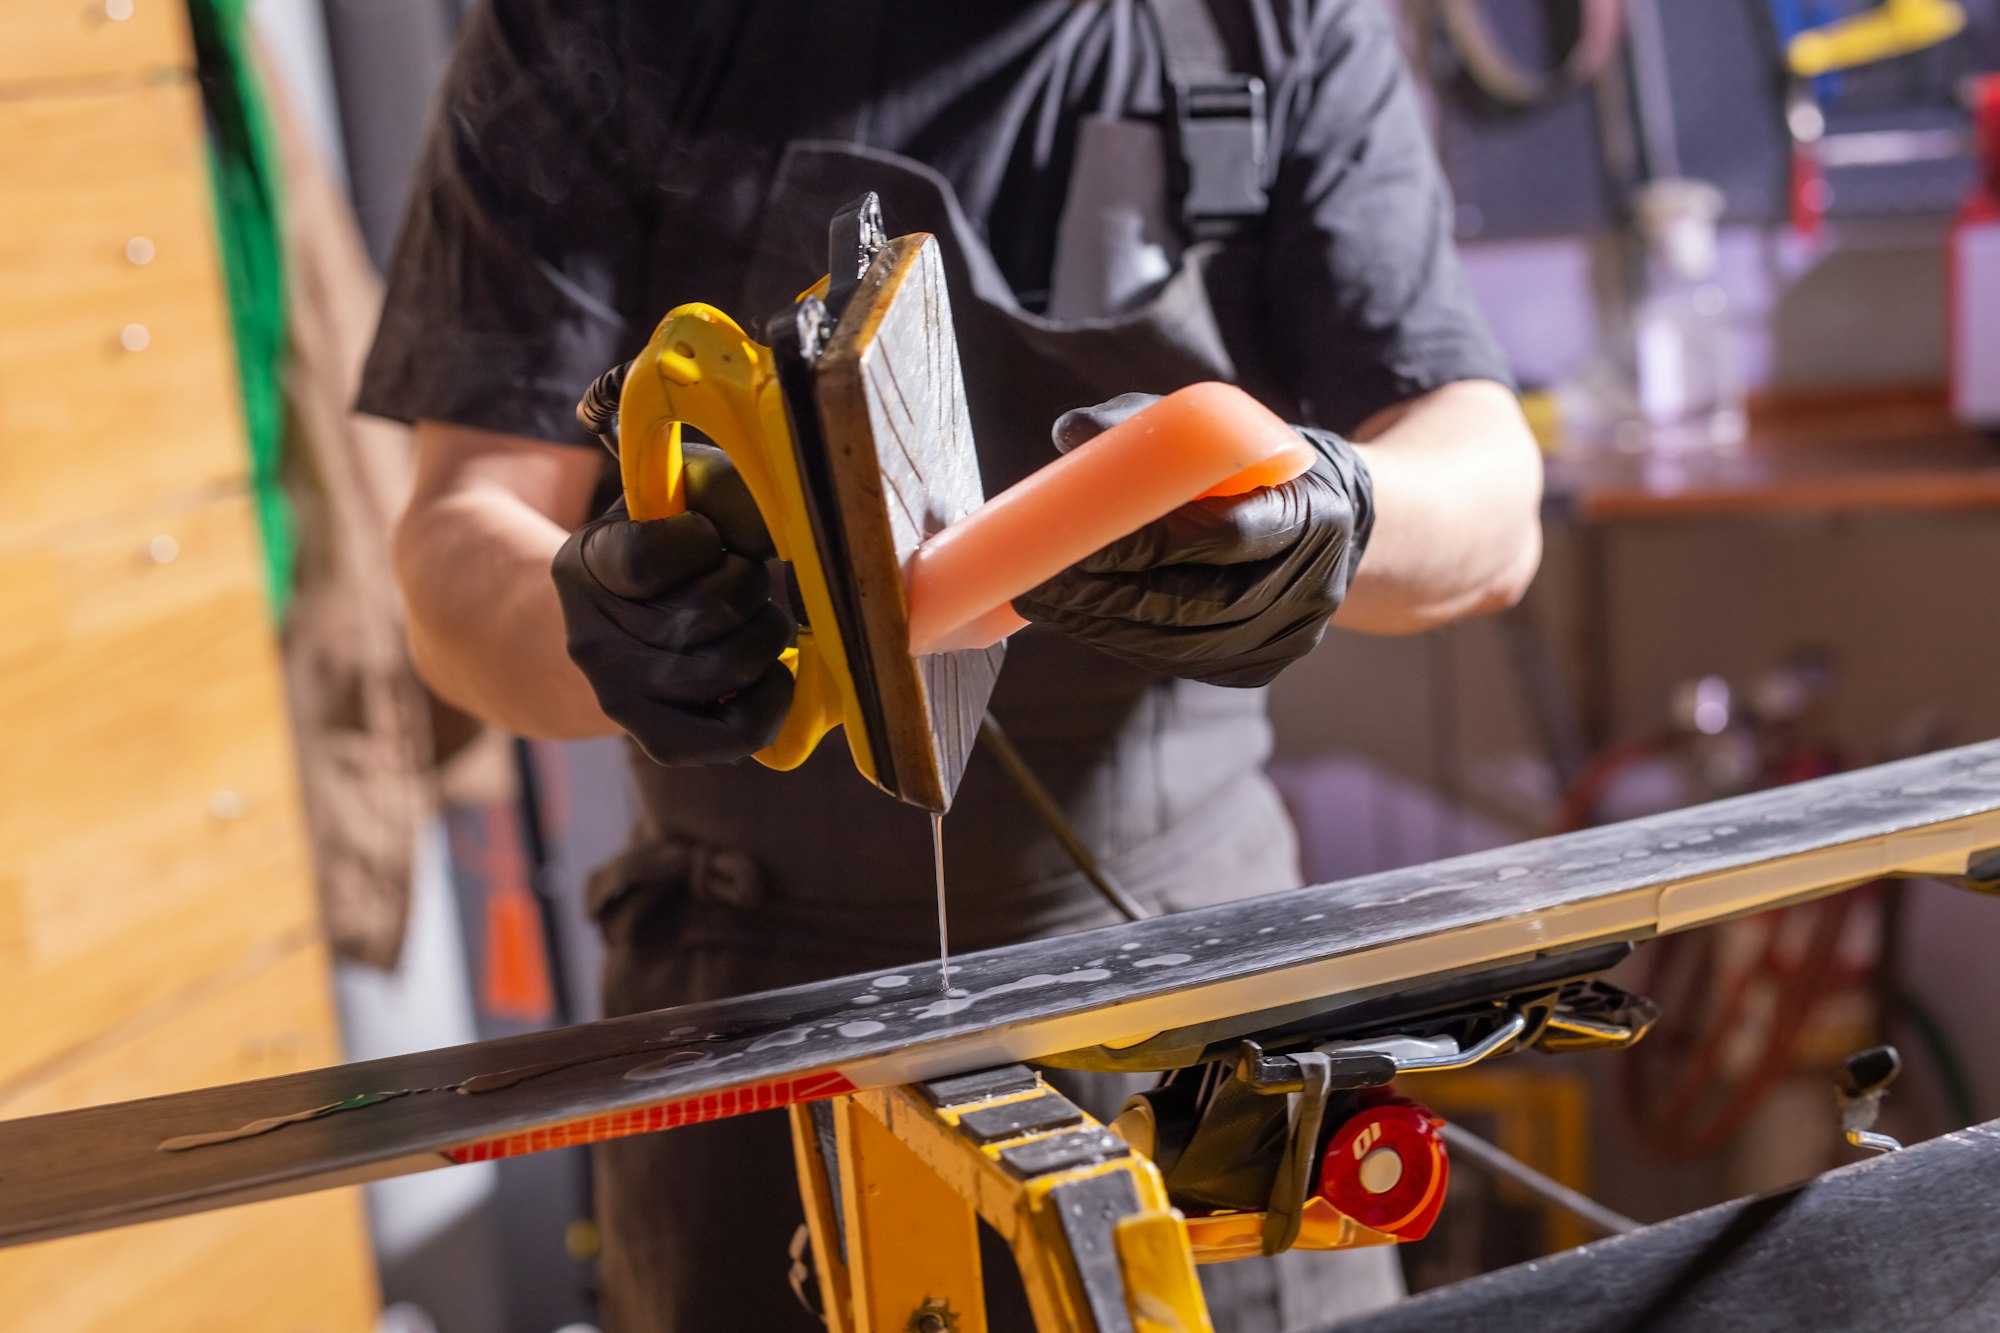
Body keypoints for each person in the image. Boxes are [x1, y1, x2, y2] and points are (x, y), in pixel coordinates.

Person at [363, 2, 1543, 1328]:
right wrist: (599, 626)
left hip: (1197, 1006)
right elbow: (452, 546)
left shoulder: (1274, 26)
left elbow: (1492, 502)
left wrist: (1342, 513)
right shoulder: (590, 29)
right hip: (759, 1018)